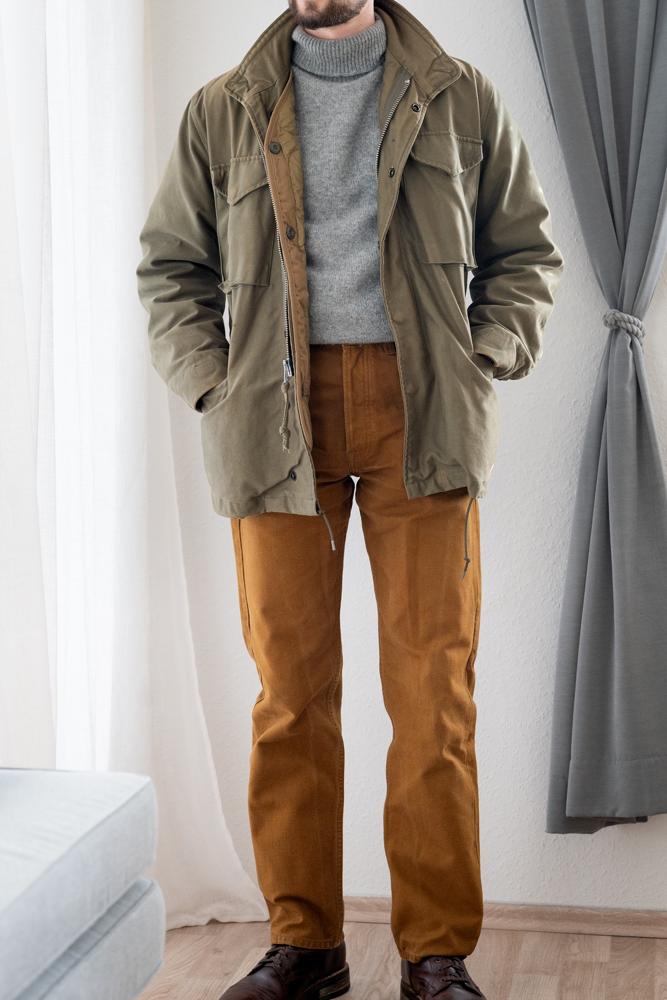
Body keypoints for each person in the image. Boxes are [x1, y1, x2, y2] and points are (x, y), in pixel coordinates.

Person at [136, 0, 564, 995]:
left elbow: (525, 254)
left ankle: (434, 955)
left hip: (424, 415)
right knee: (289, 696)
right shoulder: (223, 108)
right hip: (270, 417)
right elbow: (169, 270)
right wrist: (215, 384)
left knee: (432, 695)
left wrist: (483, 355)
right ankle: (306, 946)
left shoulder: (459, 96)